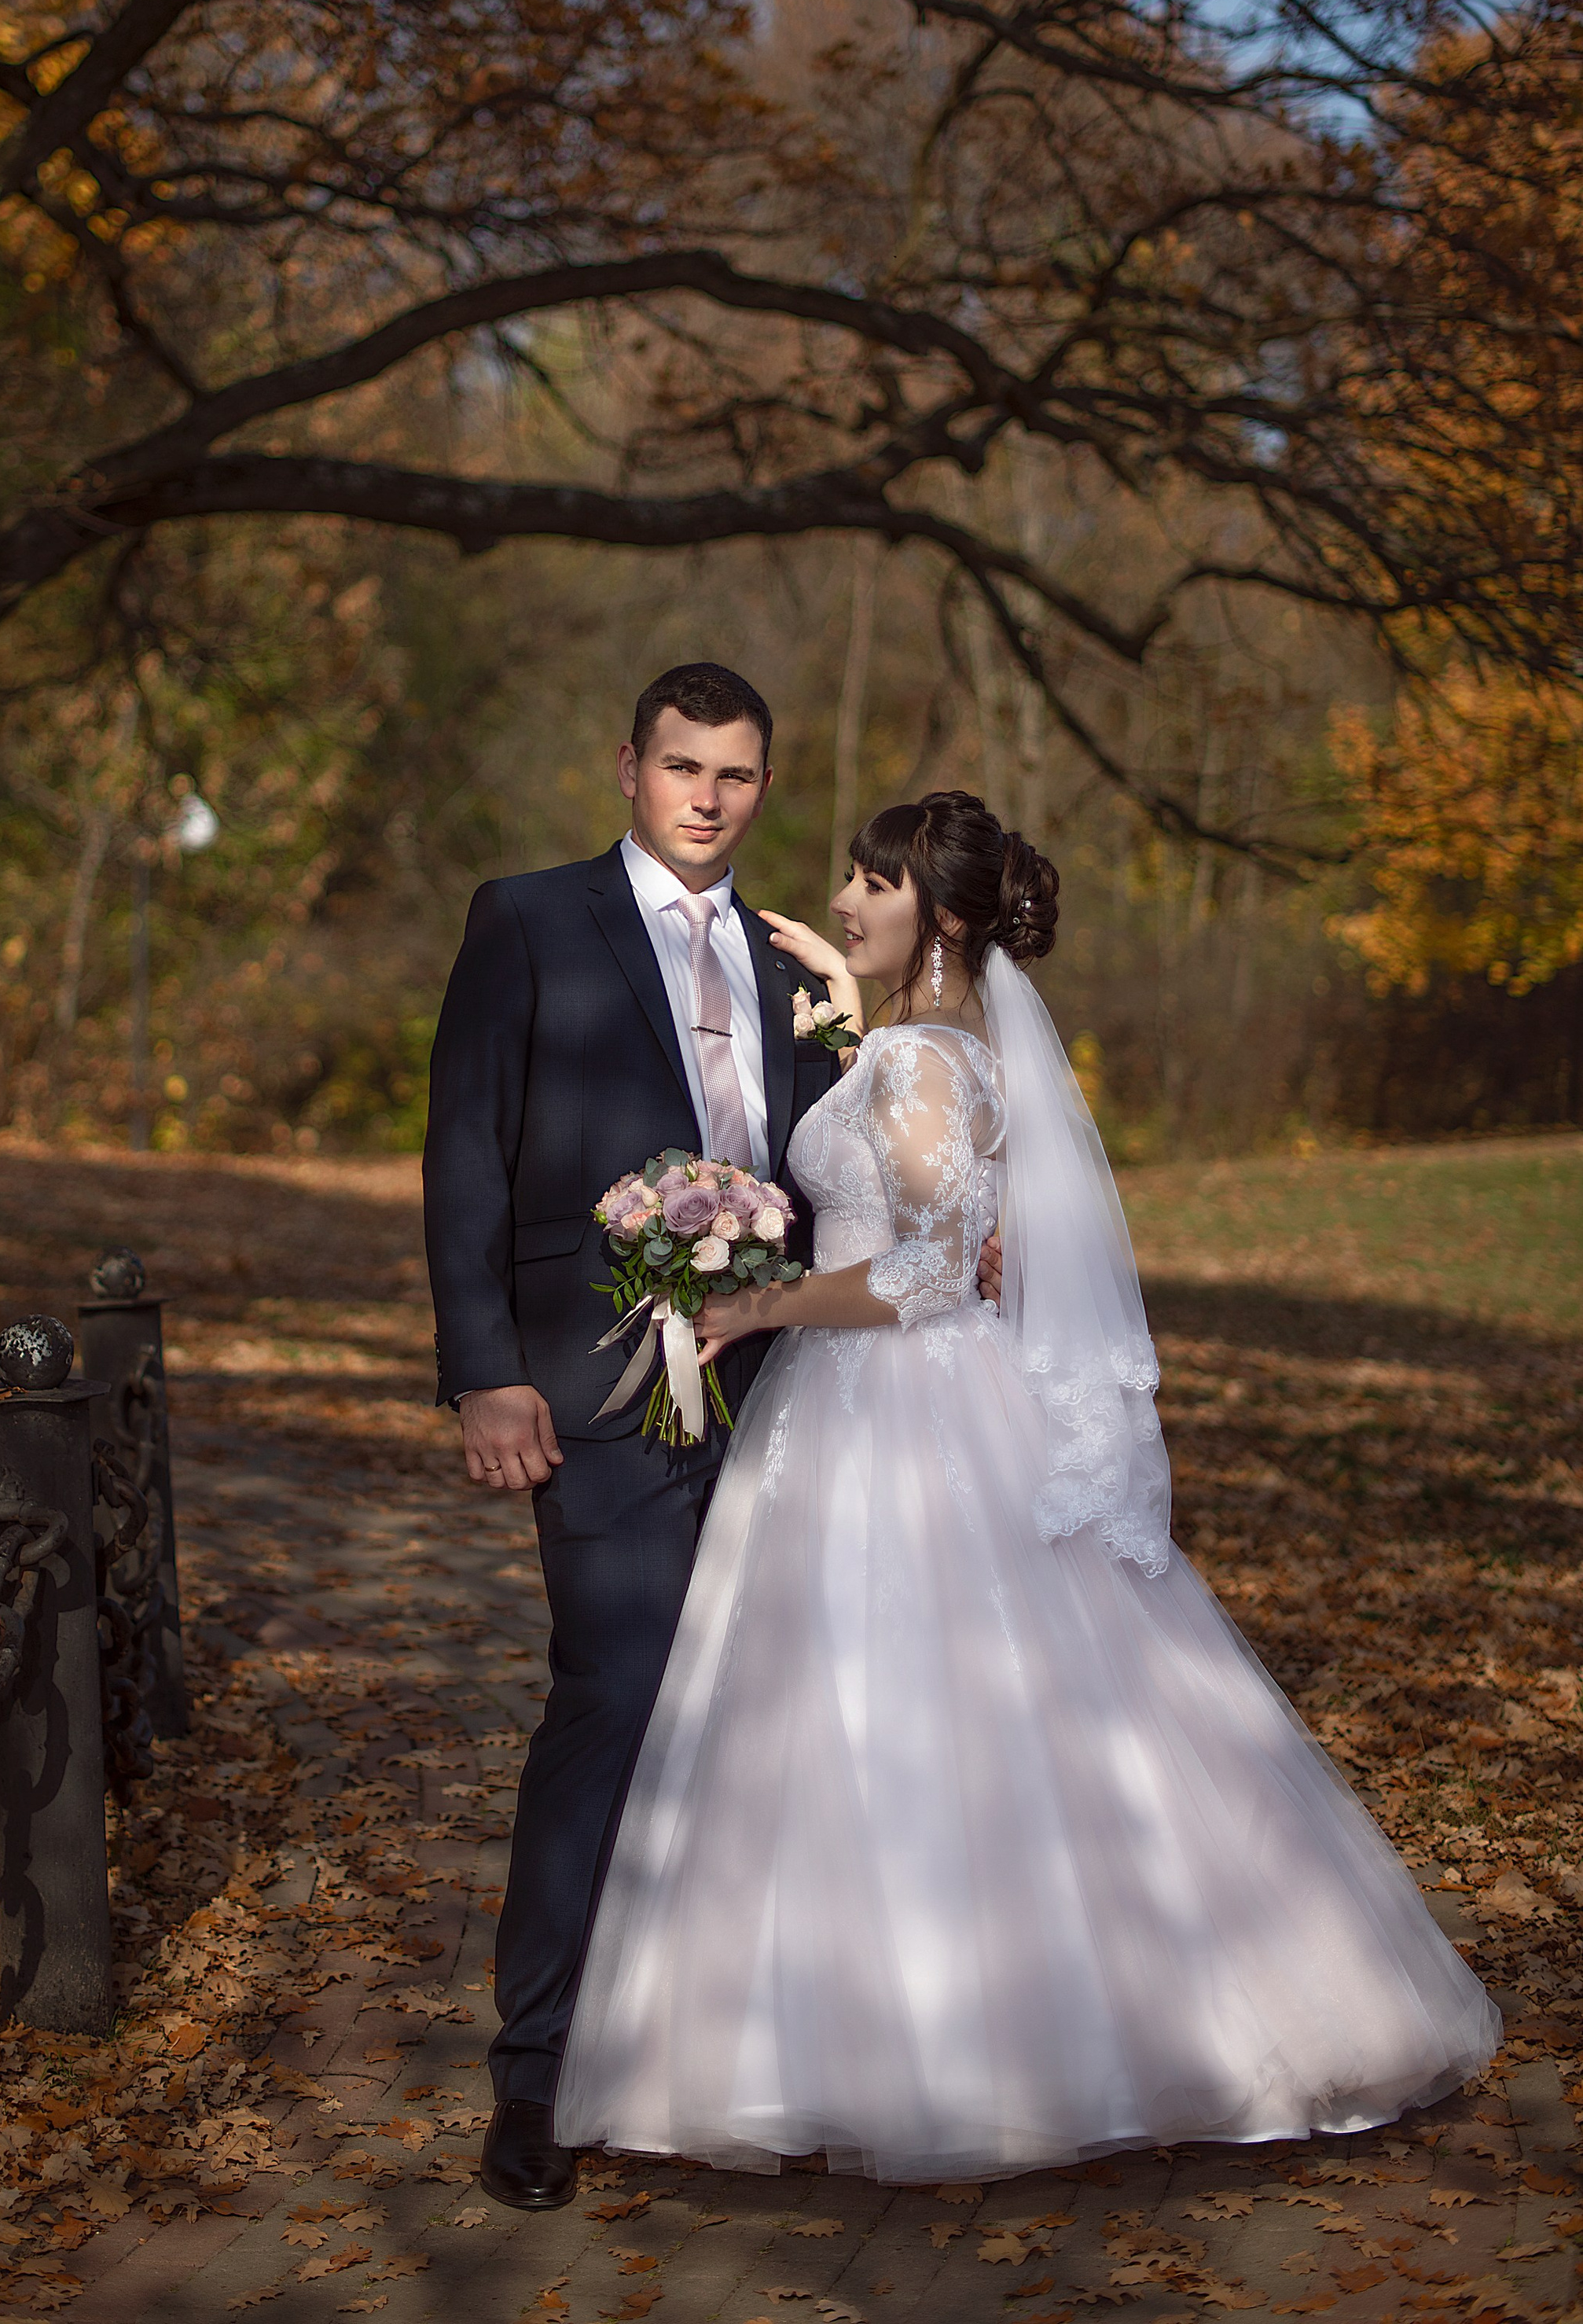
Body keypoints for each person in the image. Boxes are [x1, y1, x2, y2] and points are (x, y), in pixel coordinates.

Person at [554, 790, 1499, 2181]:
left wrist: (757, 1310)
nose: (849, 902)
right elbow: (932, 1205)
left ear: (935, 911)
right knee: (858, 1719)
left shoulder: (926, 1064)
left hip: (901, 1414)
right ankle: (874, 2034)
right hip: (874, 1400)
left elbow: (931, 1269)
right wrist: (835, 1005)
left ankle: (969, 2046)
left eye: (871, 884)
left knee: (920, 1713)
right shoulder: (924, 1047)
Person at [423, 664, 855, 2210]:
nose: (705, 797)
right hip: (590, 1381)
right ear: (626, 765)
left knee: (760, 1711)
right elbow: (466, 1145)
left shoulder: (790, 954)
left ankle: (731, 2057)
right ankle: (534, 2075)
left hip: (778, 1379)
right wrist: (482, 1369)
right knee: (610, 1692)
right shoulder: (526, 920)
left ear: (759, 785)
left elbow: (829, 1162)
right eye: (681, 765)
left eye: (735, 775)